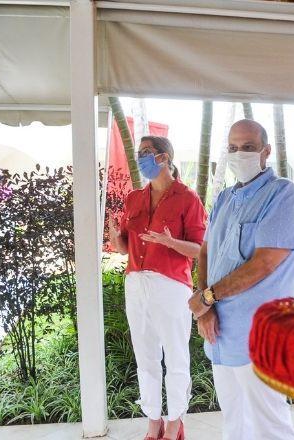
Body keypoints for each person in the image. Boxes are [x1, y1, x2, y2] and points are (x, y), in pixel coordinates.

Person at [188, 119, 294, 440]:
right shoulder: (225, 198)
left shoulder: (282, 195)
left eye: (249, 147)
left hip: (259, 335)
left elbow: (265, 263)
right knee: (234, 420)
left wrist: (208, 298)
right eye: (233, 148)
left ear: (266, 151)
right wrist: (205, 306)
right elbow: (205, 252)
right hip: (221, 333)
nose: (240, 154)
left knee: (271, 425)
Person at [109, 136, 207, 440]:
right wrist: (114, 235)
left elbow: (201, 250)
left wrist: (170, 242)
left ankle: (175, 422)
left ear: (164, 158)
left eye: (146, 153)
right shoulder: (134, 198)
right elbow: (123, 248)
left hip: (171, 285)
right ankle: (154, 421)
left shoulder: (187, 198)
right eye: (140, 154)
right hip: (136, 283)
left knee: (176, 357)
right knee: (145, 357)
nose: (141, 158)